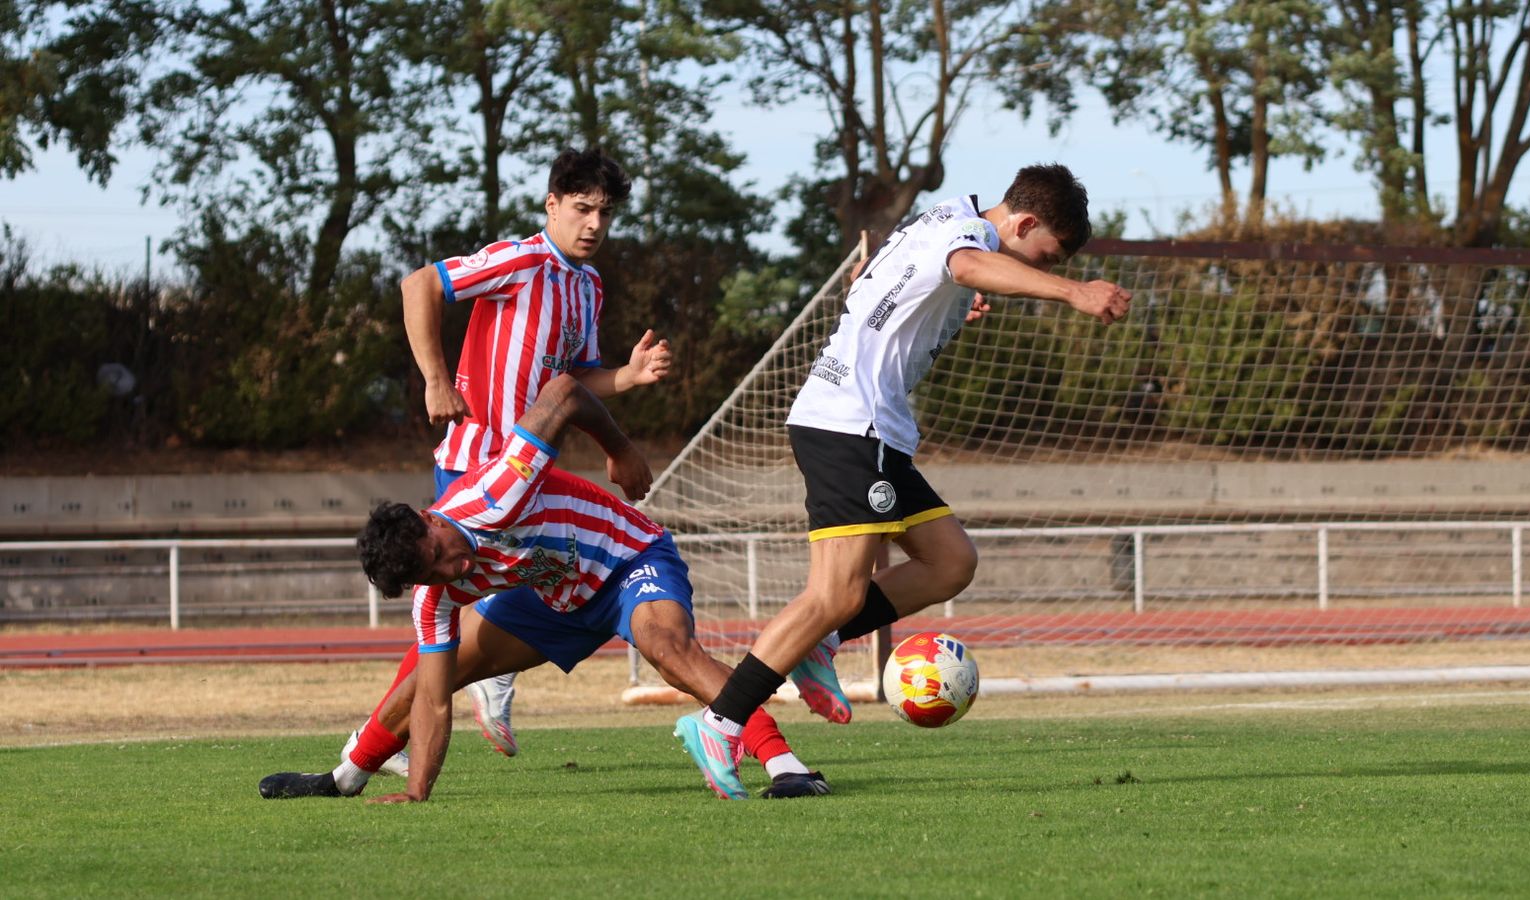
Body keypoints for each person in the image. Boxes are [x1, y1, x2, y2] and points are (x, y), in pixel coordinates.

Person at [673, 163, 1133, 788]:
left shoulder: (945, 215)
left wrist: (942, 308)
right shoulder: (965, 237)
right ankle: (722, 721)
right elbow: (966, 266)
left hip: (874, 431)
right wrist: (1074, 292)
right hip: (848, 424)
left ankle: (820, 644)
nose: (1044, 270)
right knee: (834, 595)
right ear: (1022, 223)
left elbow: (889, 281)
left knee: (950, 562)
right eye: (1045, 256)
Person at [259, 375, 829, 802]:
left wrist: (620, 449)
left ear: (430, 519)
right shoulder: (434, 593)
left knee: (667, 649)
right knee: (429, 675)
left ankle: (786, 766)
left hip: (628, 561)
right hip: (553, 598)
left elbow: (563, 392)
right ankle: (345, 777)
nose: (453, 574)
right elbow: (433, 701)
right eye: (430, 576)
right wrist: (416, 793)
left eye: (440, 557)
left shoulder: (499, 492)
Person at [399, 146, 671, 758]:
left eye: (605, 212)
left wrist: (626, 377)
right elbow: (420, 285)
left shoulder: (588, 285)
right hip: (474, 464)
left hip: (530, 473)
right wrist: (435, 379)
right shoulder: (520, 259)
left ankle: (472, 685)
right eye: (582, 209)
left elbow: (577, 380)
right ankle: (394, 733)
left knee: (536, 585)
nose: (595, 224)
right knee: (440, 605)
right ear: (552, 204)